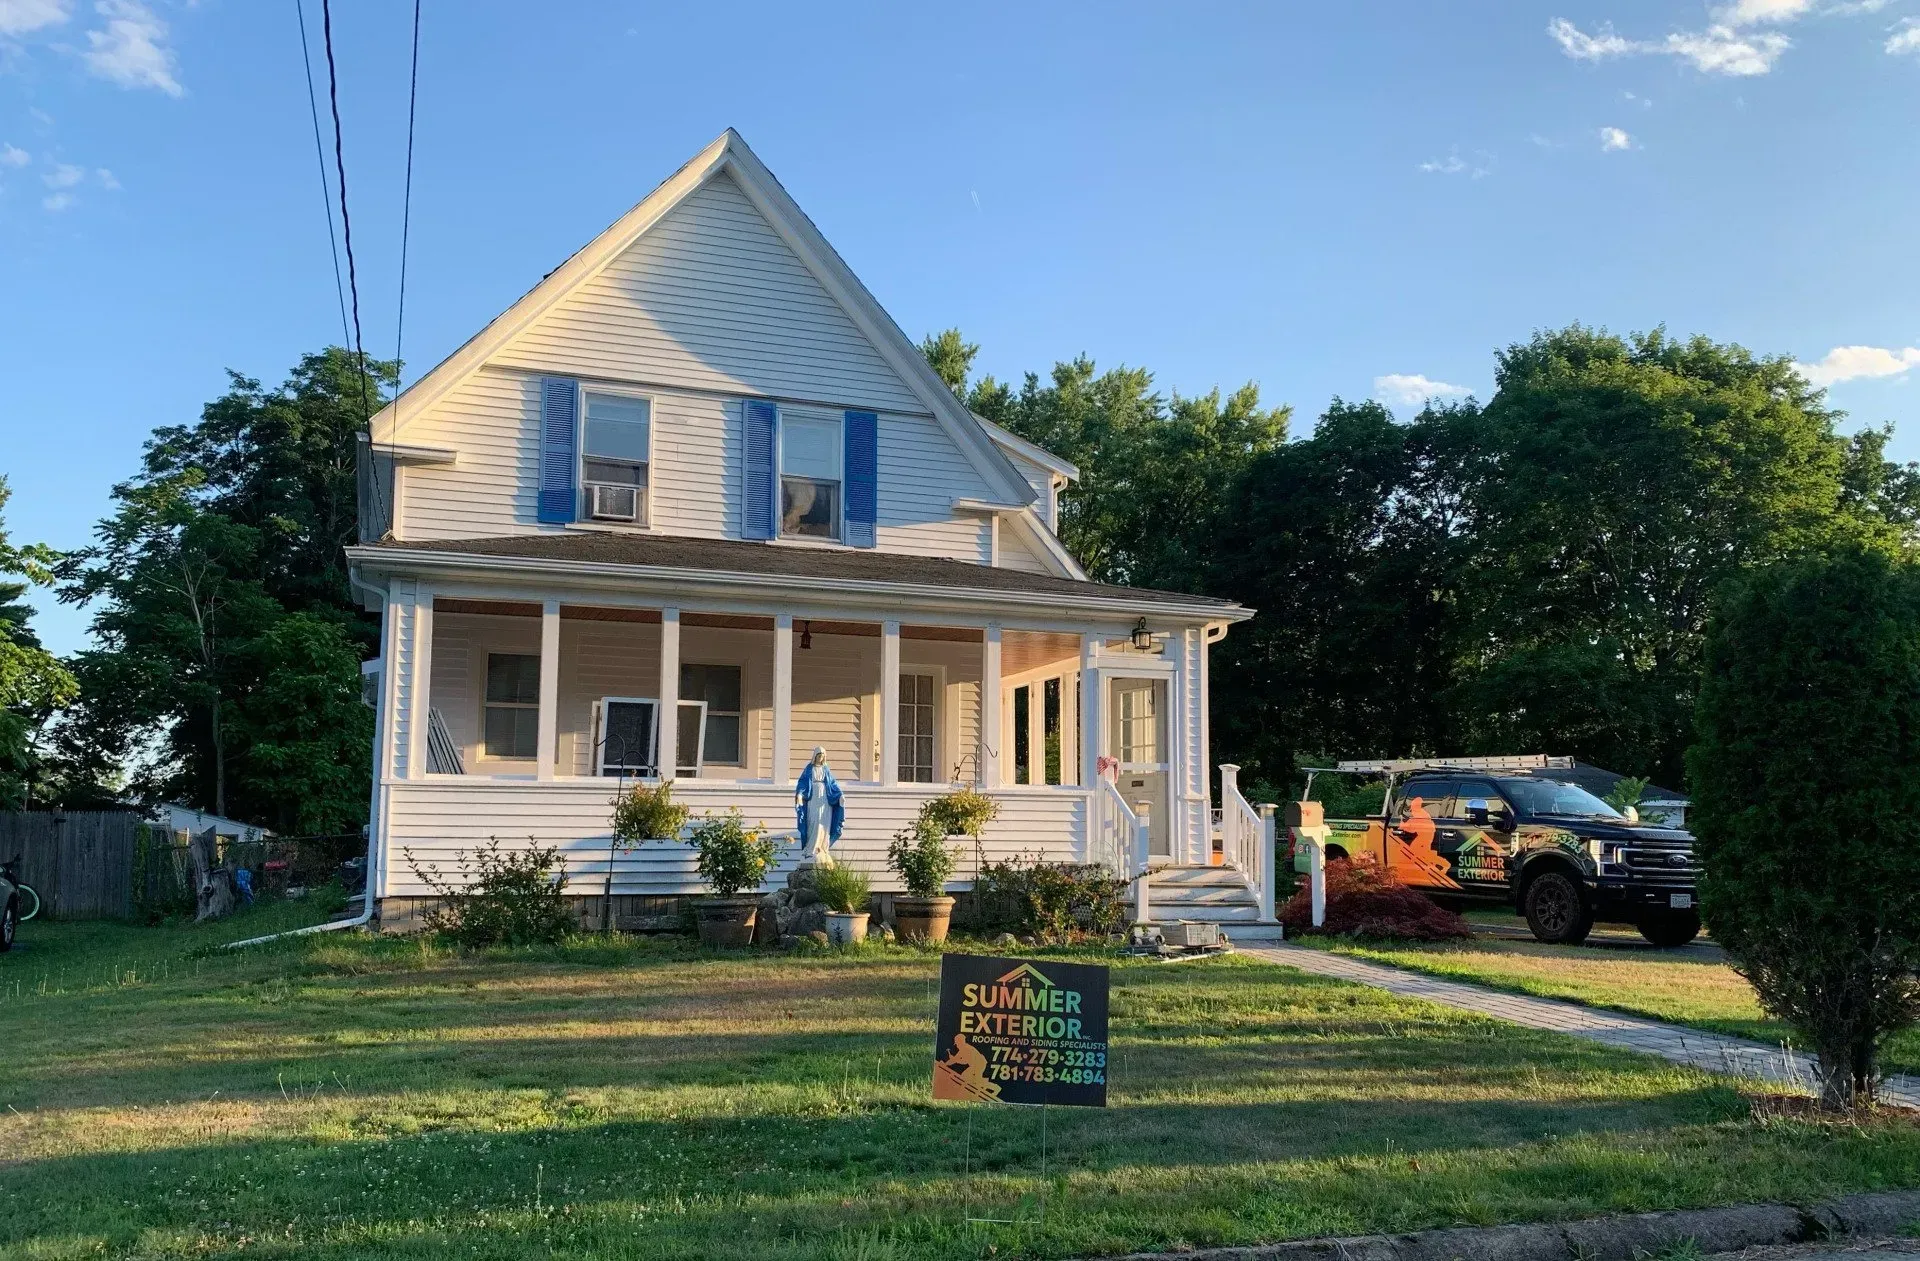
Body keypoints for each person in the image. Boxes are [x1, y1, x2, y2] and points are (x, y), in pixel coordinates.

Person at [793, 746, 844, 863]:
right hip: (813, 798)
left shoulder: (826, 769)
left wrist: (840, 795)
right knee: (813, 822)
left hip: (825, 799)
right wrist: (800, 794)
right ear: (815, 756)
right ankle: (810, 848)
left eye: (822, 756)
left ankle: (822, 848)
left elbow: (832, 784)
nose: (820, 758)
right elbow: (802, 782)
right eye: (819, 756)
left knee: (824, 822)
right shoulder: (809, 768)